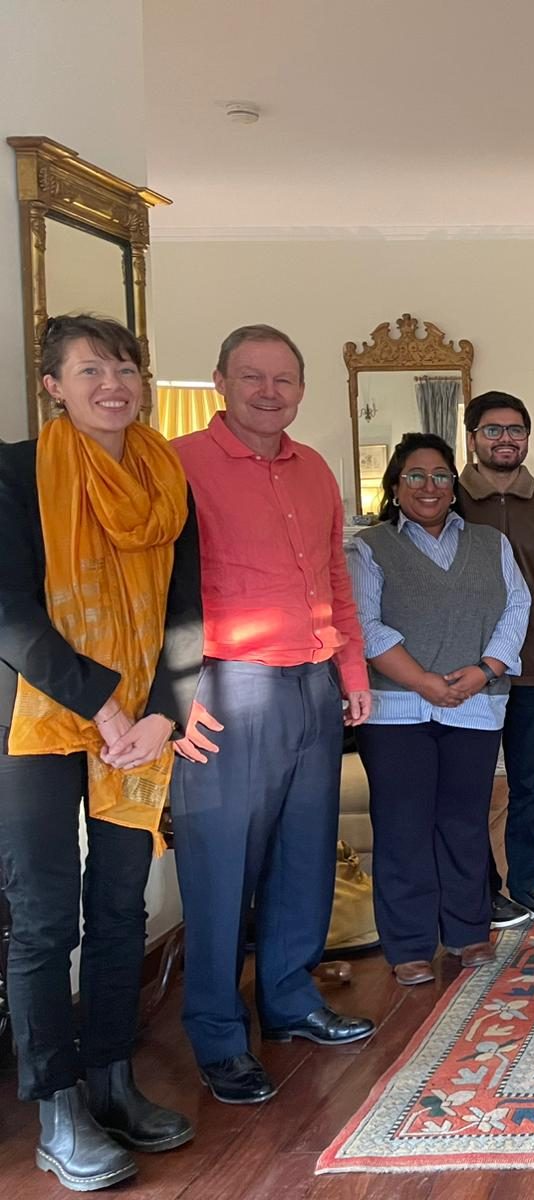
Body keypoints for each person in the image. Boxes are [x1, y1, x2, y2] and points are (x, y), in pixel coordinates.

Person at [0, 315, 202, 1190]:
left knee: (120, 907)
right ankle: (57, 1108)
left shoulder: (167, 477)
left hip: (142, 730)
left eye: (125, 366)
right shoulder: (14, 471)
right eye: (90, 370)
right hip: (40, 723)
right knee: (45, 920)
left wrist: (165, 708)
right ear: (53, 385)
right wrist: (103, 703)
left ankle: (115, 1080)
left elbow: (188, 611)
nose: (112, 383)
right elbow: (9, 610)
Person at [170, 324, 375, 1107]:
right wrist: (173, 697)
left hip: (313, 683)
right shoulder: (178, 464)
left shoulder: (316, 469)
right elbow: (157, 593)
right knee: (223, 867)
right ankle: (219, 1035)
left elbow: (333, 576)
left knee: (305, 854)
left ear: (301, 388)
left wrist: (350, 670)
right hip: (225, 687)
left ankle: (289, 1001)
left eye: (284, 379)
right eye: (252, 377)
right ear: (219, 380)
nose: (268, 391)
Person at [349, 434, 531, 986]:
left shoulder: (490, 542)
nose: (429, 487)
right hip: (396, 709)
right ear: (396, 486)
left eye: (440, 476)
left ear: (455, 486)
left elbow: (517, 607)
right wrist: (425, 683)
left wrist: (486, 670)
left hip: (474, 705)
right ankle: (408, 944)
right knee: (402, 826)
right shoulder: (369, 546)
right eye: (415, 477)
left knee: (464, 821)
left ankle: (468, 930)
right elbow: (365, 625)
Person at [455, 391, 534, 926]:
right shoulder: (452, 501)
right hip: (465, 675)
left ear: (527, 438)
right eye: (493, 430)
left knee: (529, 783)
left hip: (532, 672)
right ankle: (480, 891)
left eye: (515, 430)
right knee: (470, 788)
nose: (505, 439)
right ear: (473, 437)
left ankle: (527, 883)